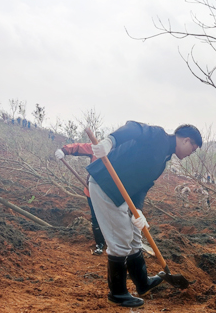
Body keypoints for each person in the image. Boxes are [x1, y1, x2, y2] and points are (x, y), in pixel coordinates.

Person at [87, 121, 202, 308]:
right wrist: (110, 141)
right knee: (120, 238)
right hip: (105, 185)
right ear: (186, 140)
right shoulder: (158, 136)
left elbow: (144, 184)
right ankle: (117, 293)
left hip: (124, 193)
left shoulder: (162, 161)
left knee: (134, 235)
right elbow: (133, 128)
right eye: (193, 148)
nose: (191, 153)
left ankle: (142, 283)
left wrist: (138, 209)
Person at [55, 143, 106, 255]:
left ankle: (114, 241)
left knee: (111, 216)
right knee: (96, 217)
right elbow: (79, 147)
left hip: (111, 193)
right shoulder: (98, 148)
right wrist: (64, 150)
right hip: (92, 191)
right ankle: (100, 244)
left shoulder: (122, 154)